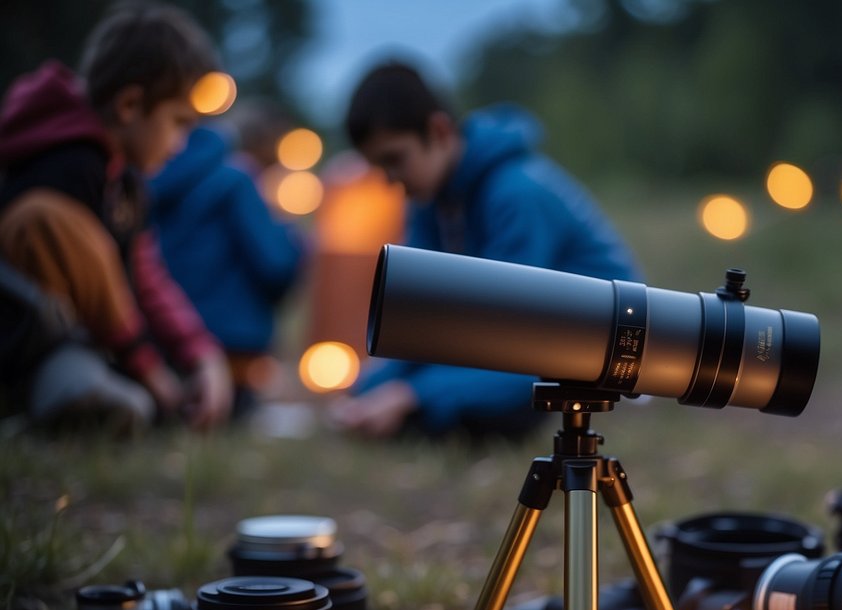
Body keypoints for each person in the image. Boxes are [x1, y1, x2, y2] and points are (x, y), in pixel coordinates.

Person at [329, 60, 642, 439]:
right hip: (520, 339)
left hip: (596, 349)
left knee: (467, 404)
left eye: (395, 159)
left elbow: (511, 339)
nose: (391, 180)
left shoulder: (516, 192)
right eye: (380, 167)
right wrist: (366, 388)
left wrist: (409, 395)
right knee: (391, 398)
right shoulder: (431, 201)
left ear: (439, 130)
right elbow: (423, 318)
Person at [0, 2, 232, 432]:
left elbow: (143, 274)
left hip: (87, 345)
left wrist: (201, 352)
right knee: (98, 390)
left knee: (132, 401)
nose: (181, 144)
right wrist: (148, 366)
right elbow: (97, 269)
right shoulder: (65, 167)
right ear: (129, 105)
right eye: (179, 123)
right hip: (27, 345)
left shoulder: (124, 180)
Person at [150, 122, 306, 417]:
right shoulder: (236, 181)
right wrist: (293, 239)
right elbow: (277, 266)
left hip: (165, 341)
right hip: (231, 351)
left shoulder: (151, 172)